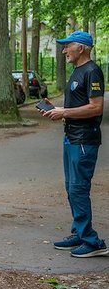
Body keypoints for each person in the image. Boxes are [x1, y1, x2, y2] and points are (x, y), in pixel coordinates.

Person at [43, 31, 106, 258]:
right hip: (71, 137)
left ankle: (92, 242)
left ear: (81, 48)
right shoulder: (78, 72)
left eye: (67, 46)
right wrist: (55, 108)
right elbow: (78, 104)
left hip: (84, 140)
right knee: (72, 188)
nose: (63, 50)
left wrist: (64, 112)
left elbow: (96, 107)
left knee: (78, 189)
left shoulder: (92, 71)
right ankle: (79, 233)